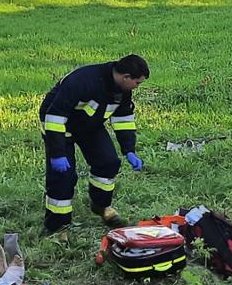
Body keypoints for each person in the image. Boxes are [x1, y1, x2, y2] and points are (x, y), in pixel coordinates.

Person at [38, 54, 149, 234]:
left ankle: (101, 206)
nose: (137, 87)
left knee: (109, 162)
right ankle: (58, 227)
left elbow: (123, 119)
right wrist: (57, 153)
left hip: (88, 124)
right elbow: (55, 116)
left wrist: (129, 150)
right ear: (125, 77)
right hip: (57, 123)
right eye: (137, 83)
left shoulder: (122, 90)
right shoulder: (83, 81)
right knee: (63, 177)